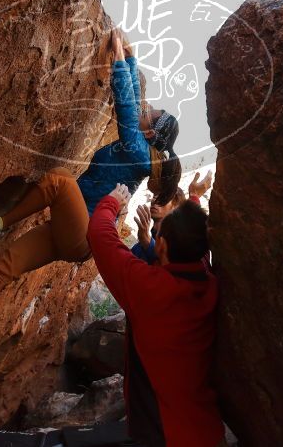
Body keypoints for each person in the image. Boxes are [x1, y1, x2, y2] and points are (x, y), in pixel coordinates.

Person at [0, 29, 182, 354]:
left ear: (154, 132)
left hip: (84, 233)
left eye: (156, 113)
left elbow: (127, 106)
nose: (151, 108)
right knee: (4, 267)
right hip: (72, 234)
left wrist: (119, 59)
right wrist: (129, 58)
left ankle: (1, 222)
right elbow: (136, 105)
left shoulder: (137, 151)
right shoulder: (139, 149)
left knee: (60, 180)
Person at [87, 183, 225, 447]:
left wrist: (111, 202)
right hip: (208, 431)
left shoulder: (151, 289)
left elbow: (100, 236)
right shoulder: (208, 281)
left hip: (164, 435)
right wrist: (193, 199)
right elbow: (194, 235)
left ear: (160, 246)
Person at [131, 170, 213, 264]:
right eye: (155, 196)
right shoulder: (141, 244)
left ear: (176, 207)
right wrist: (194, 196)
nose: (154, 200)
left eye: (163, 198)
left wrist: (148, 242)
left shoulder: (188, 242)